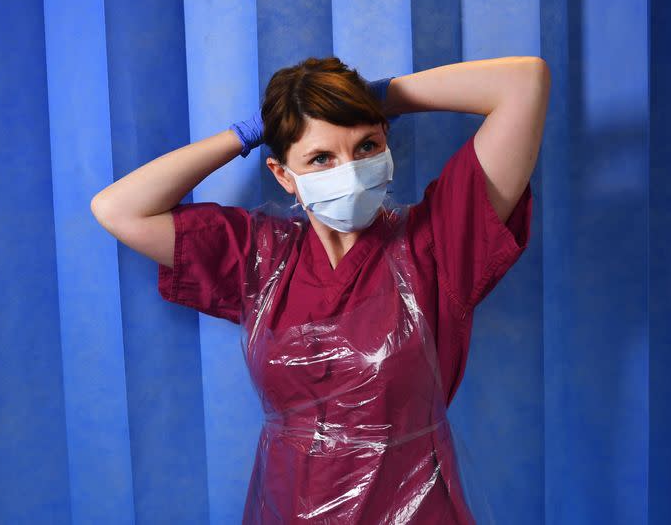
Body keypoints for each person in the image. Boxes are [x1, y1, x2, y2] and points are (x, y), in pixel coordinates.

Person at [91, 55, 544, 524]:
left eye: (367, 145)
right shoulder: (259, 256)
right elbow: (119, 209)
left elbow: (523, 82)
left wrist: (377, 95)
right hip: (289, 507)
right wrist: (244, 135)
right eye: (321, 158)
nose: (350, 171)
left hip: (417, 510)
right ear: (284, 175)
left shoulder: (438, 243)